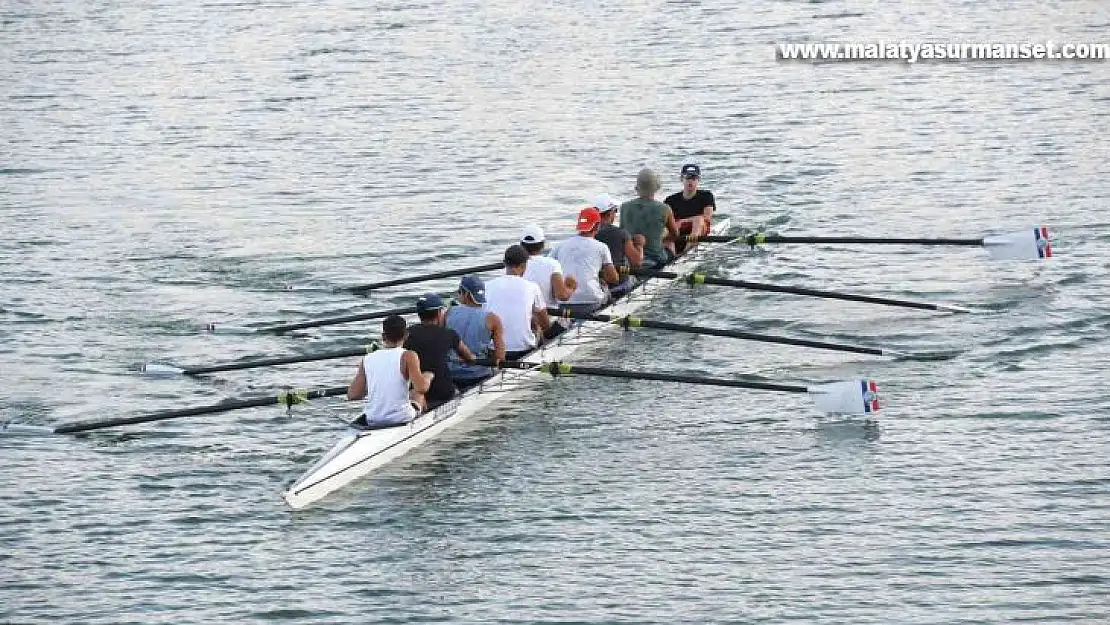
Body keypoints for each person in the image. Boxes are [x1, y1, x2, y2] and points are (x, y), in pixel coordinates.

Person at [347, 314, 432, 426]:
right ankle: (425, 424)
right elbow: (421, 388)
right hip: (401, 418)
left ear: (383, 336)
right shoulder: (408, 355)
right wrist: (428, 377)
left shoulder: (367, 358)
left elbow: (353, 395)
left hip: (373, 419)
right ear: (406, 335)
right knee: (417, 393)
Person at [404, 292, 476, 407]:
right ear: (438, 313)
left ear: (419, 314)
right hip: (443, 393)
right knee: (458, 389)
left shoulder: (405, 334)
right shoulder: (449, 333)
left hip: (417, 391)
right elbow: (470, 358)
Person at [484, 244, 552, 359]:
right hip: (523, 351)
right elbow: (545, 324)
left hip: (493, 350)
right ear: (523, 265)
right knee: (539, 327)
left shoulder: (487, 286)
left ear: (505, 263)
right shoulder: (532, 287)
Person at [550, 206, 620, 314]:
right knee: (607, 287)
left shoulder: (559, 246)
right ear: (597, 226)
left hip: (563, 300)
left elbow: (548, 270)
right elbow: (613, 278)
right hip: (591, 301)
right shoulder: (602, 247)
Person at [445, 274, 506, 390]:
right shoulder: (492, 318)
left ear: (466, 294)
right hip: (478, 374)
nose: (458, 295)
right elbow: (500, 358)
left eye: (459, 292)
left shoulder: (448, 313)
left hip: (451, 374)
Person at [619, 168, 681, 267]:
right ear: (655, 189)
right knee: (670, 244)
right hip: (656, 259)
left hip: (631, 258)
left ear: (638, 188)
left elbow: (622, 233)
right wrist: (661, 238)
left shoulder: (624, 207)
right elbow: (675, 234)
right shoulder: (665, 209)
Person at [592, 193, 645, 297]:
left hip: (597, 283)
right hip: (618, 284)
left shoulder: (588, 234)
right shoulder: (621, 233)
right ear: (610, 213)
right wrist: (639, 244)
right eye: (615, 210)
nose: (615, 214)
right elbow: (637, 262)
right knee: (637, 277)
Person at [664, 163, 716, 254]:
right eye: (687, 178)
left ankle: (687, 252)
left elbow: (707, 218)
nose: (690, 181)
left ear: (698, 180)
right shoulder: (670, 200)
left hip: (699, 230)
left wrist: (682, 222)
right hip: (677, 231)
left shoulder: (707, 196)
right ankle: (669, 254)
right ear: (681, 179)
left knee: (698, 219)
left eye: (694, 178)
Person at [520, 224, 577, 307]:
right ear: (543, 244)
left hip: (524, 315)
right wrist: (571, 286)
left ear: (521, 245)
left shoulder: (514, 266)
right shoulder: (553, 264)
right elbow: (562, 296)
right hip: (549, 316)